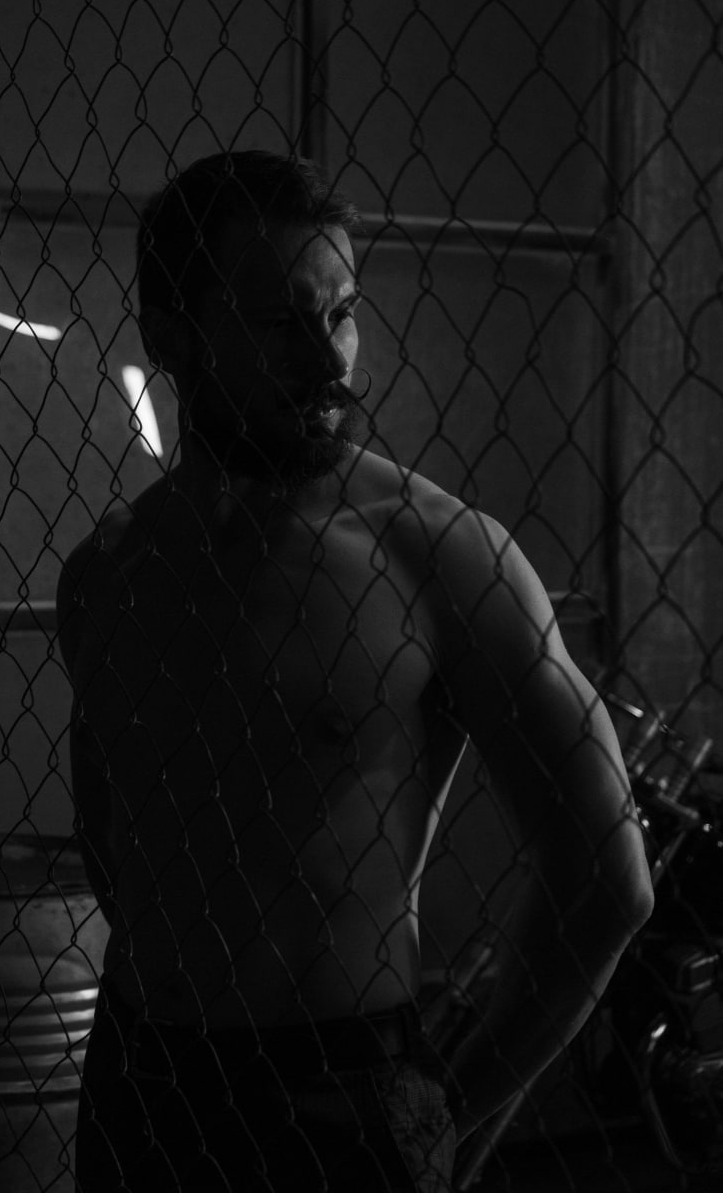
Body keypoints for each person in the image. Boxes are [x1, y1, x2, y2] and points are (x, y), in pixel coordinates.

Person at [56, 150, 654, 1191]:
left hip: (338, 1087)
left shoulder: (438, 552)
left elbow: (607, 878)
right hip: (142, 1078)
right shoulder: (113, 570)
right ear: (171, 338)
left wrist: (449, 1115)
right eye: (280, 322)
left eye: (340, 314)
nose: (328, 360)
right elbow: (116, 839)